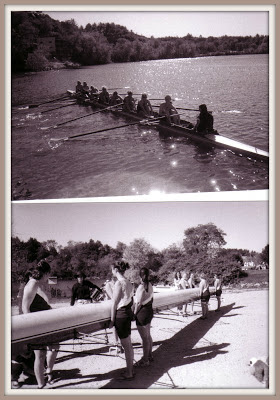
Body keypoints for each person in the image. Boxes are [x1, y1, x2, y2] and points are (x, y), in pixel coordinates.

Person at [21, 260, 59, 389]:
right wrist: (31, 330)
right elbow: (25, 308)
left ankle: (48, 372)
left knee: (54, 346)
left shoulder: (37, 284)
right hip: (37, 325)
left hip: (44, 322)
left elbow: (44, 301)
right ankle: (41, 384)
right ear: (46, 273)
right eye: (49, 275)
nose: (49, 278)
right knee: (40, 354)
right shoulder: (32, 285)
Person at [109, 261, 135, 380]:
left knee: (126, 345)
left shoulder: (119, 283)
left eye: (112, 269)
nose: (111, 271)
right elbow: (131, 301)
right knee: (128, 344)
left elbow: (114, 303)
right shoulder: (128, 282)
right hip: (127, 313)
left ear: (115, 270)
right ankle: (130, 370)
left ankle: (129, 373)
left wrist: (112, 320)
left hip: (121, 315)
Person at [133, 268, 154, 367]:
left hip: (142, 314)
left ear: (140, 276)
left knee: (144, 338)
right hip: (149, 311)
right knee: (148, 335)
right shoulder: (150, 285)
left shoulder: (141, 287)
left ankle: (145, 360)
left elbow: (138, 303)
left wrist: (134, 314)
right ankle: (149, 355)